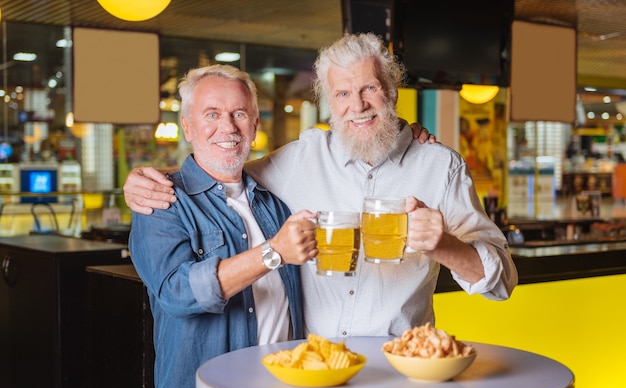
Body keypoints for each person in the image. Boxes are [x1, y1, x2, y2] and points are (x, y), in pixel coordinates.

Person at [126, 33, 518, 339]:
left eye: (369, 89)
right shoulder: (299, 158)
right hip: (313, 370)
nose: (358, 105)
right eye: (343, 93)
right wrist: (142, 181)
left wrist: (443, 244)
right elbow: (223, 169)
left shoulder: (440, 167)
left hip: (399, 368)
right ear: (329, 102)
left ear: (392, 91)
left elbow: (502, 283)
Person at [128, 64, 317, 388]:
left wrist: (409, 135)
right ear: (188, 126)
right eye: (212, 114)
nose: (228, 127)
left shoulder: (276, 201)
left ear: (255, 125)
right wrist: (273, 252)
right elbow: (177, 292)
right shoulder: (161, 200)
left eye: (239, 114)